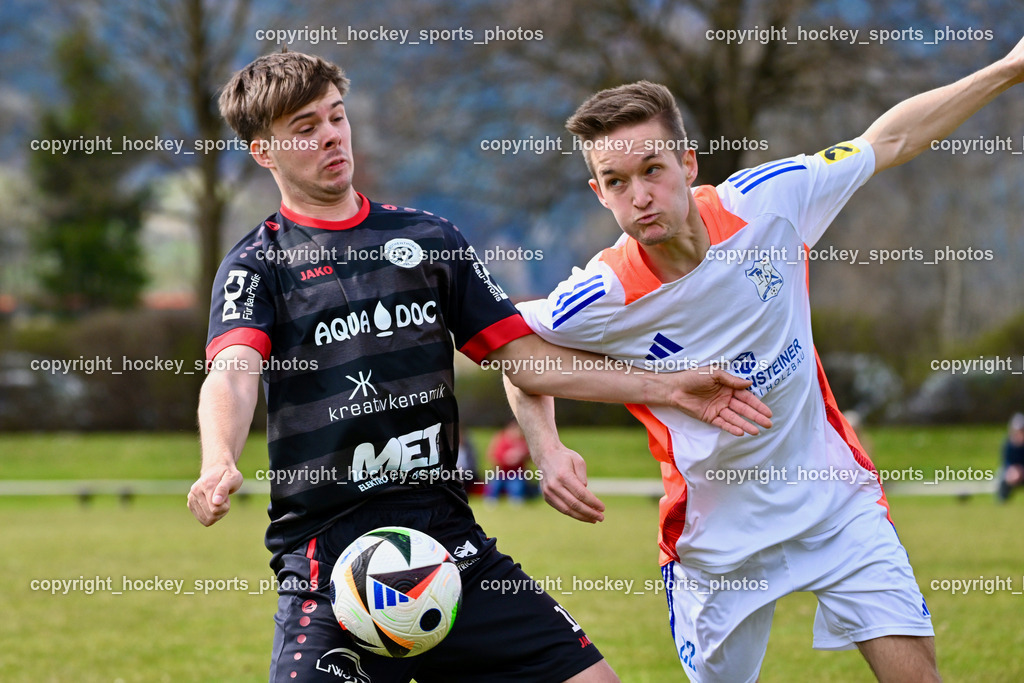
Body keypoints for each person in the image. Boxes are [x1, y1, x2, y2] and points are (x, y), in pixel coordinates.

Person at [186, 51, 773, 683]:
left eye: (336, 116)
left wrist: (667, 389)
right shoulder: (258, 265)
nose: (332, 135)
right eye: (305, 128)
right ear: (262, 152)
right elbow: (234, 369)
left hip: (445, 541)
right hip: (329, 560)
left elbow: (526, 360)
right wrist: (219, 457)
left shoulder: (429, 239)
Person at [504, 38, 1024, 683]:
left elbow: (889, 140)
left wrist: (1009, 68)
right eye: (617, 182)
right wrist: (548, 446)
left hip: (834, 505)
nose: (639, 195)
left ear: (688, 164)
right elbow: (514, 354)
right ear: (599, 194)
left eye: (652, 169)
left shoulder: (769, 203)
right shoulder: (602, 294)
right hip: (716, 546)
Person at [485, 420, 533, 504]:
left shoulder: (522, 442)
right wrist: (506, 459)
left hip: (516, 473)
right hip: (500, 472)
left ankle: (516, 498)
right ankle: (491, 498)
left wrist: (521, 455)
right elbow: (493, 456)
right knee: (494, 485)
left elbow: (529, 456)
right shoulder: (501, 439)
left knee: (517, 486)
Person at [997, 412, 1024, 503]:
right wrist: (1012, 470)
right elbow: (1006, 462)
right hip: (1012, 473)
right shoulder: (1008, 444)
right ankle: (1002, 501)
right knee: (1001, 477)